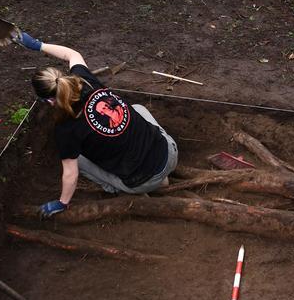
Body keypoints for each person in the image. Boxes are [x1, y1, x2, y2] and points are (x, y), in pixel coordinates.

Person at [13, 31, 178, 215]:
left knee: (77, 160)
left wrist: (62, 203)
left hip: (143, 179)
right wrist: (37, 45)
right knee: (137, 109)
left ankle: (126, 189)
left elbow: (70, 174)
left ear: (50, 101)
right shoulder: (85, 79)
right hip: (169, 151)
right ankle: (161, 179)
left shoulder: (66, 129)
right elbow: (72, 55)